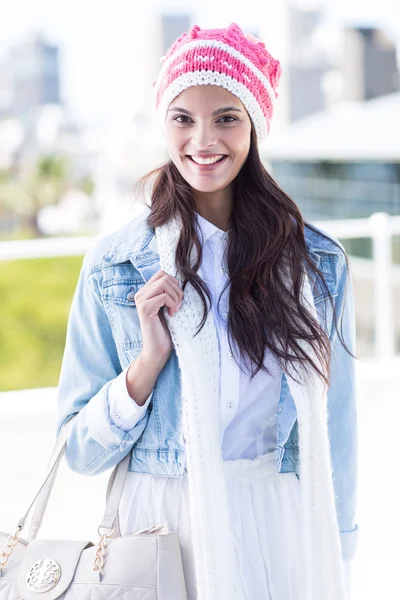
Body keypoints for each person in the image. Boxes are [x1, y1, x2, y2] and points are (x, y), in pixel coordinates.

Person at [56, 23, 359, 600]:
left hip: (282, 521)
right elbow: (78, 452)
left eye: (226, 116)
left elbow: (338, 426)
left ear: (255, 126)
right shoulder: (116, 266)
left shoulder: (316, 263)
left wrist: (340, 547)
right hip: (163, 530)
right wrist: (147, 364)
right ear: (163, 126)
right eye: (183, 118)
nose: (203, 139)